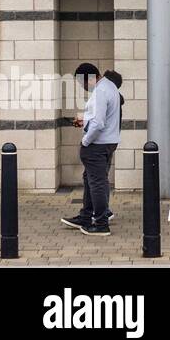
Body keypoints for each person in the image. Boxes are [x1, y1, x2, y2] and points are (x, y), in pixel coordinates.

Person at [61, 67, 123, 236]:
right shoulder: (109, 87)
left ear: (88, 78)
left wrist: (85, 141)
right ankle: (86, 217)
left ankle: (101, 223)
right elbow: (101, 118)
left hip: (97, 144)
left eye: (81, 82)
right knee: (92, 180)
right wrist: (85, 120)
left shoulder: (101, 91)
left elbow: (98, 123)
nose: (82, 86)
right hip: (108, 142)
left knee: (96, 183)